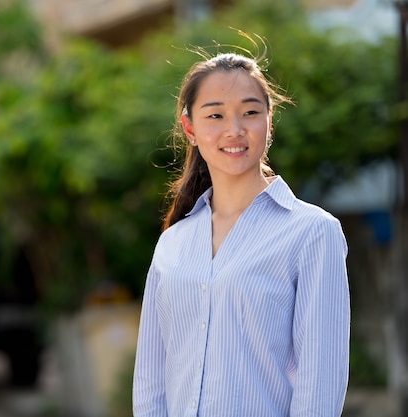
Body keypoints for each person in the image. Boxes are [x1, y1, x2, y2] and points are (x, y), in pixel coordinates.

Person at [132, 45, 350, 417]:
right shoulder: (173, 242)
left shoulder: (313, 233)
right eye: (215, 115)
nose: (234, 130)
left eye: (250, 112)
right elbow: (151, 380)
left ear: (269, 120)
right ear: (191, 129)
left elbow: (320, 384)